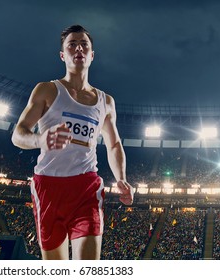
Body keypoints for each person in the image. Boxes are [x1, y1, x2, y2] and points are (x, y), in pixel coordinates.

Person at [11, 24, 133, 260]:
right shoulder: (46, 90)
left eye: (84, 44)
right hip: (48, 187)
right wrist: (40, 139)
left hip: (85, 188)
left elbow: (114, 144)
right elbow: (18, 134)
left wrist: (121, 179)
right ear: (62, 54)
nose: (78, 48)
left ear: (92, 55)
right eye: (72, 44)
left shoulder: (106, 102)